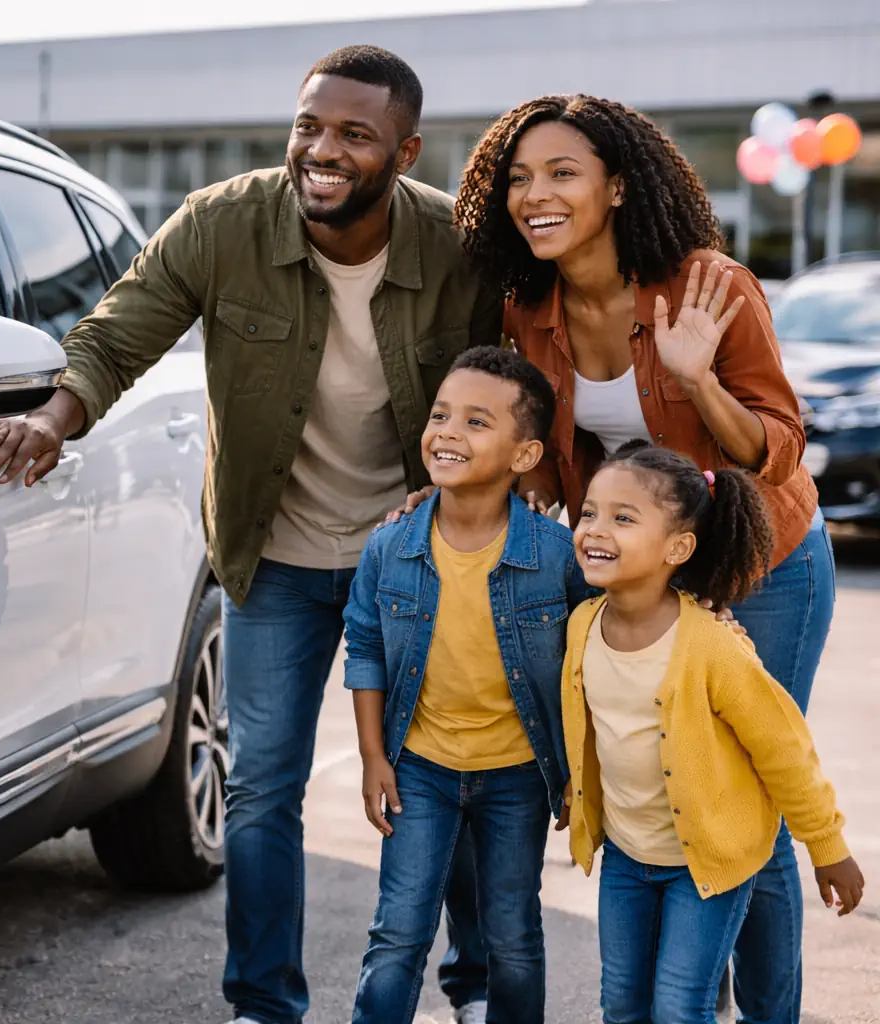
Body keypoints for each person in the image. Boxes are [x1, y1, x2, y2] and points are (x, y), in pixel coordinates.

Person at [0, 45, 503, 1024]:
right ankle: (264, 1002)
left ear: (404, 150)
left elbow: (519, 375)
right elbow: (121, 329)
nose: (323, 150)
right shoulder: (223, 223)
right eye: (310, 125)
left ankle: (473, 992)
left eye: (355, 134)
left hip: (419, 559)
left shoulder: (454, 247)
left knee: (447, 784)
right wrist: (54, 418)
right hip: (278, 555)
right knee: (262, 787)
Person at [451, 94, 835, 1023]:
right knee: (653, 797)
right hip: (640, 576)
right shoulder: (526, 306)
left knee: (749, 806)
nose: (533, 195)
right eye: (518, 179)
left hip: (763, 566)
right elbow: (536, 444)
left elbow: (774, 450)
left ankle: (768, 1013)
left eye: (561, 173)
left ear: (619, 187)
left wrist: (699, 377)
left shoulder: (708, 285)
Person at [563, 442, 864, 1023]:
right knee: (621, 1005)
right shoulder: (583, 625)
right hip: (627, 855)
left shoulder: (711, 647)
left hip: (708, 864)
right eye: (590, 512)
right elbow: (589, 731)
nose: (595, 529)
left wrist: (827, 847)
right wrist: (572, 795)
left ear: (677, 547)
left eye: (624, 518)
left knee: (681, 1008)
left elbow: (784, 751)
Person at [343, 347, 588, 1023]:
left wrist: (577, 772)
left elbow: (588, 665)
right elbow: (364, 650)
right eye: (441, 414)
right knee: (398, 935)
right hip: (419, 770)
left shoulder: (553, 556)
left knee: (512, 937)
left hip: (517, 777)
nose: (447, 431)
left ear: (523, 454)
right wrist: (373, 758)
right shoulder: (390, 548)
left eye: (477, 422)